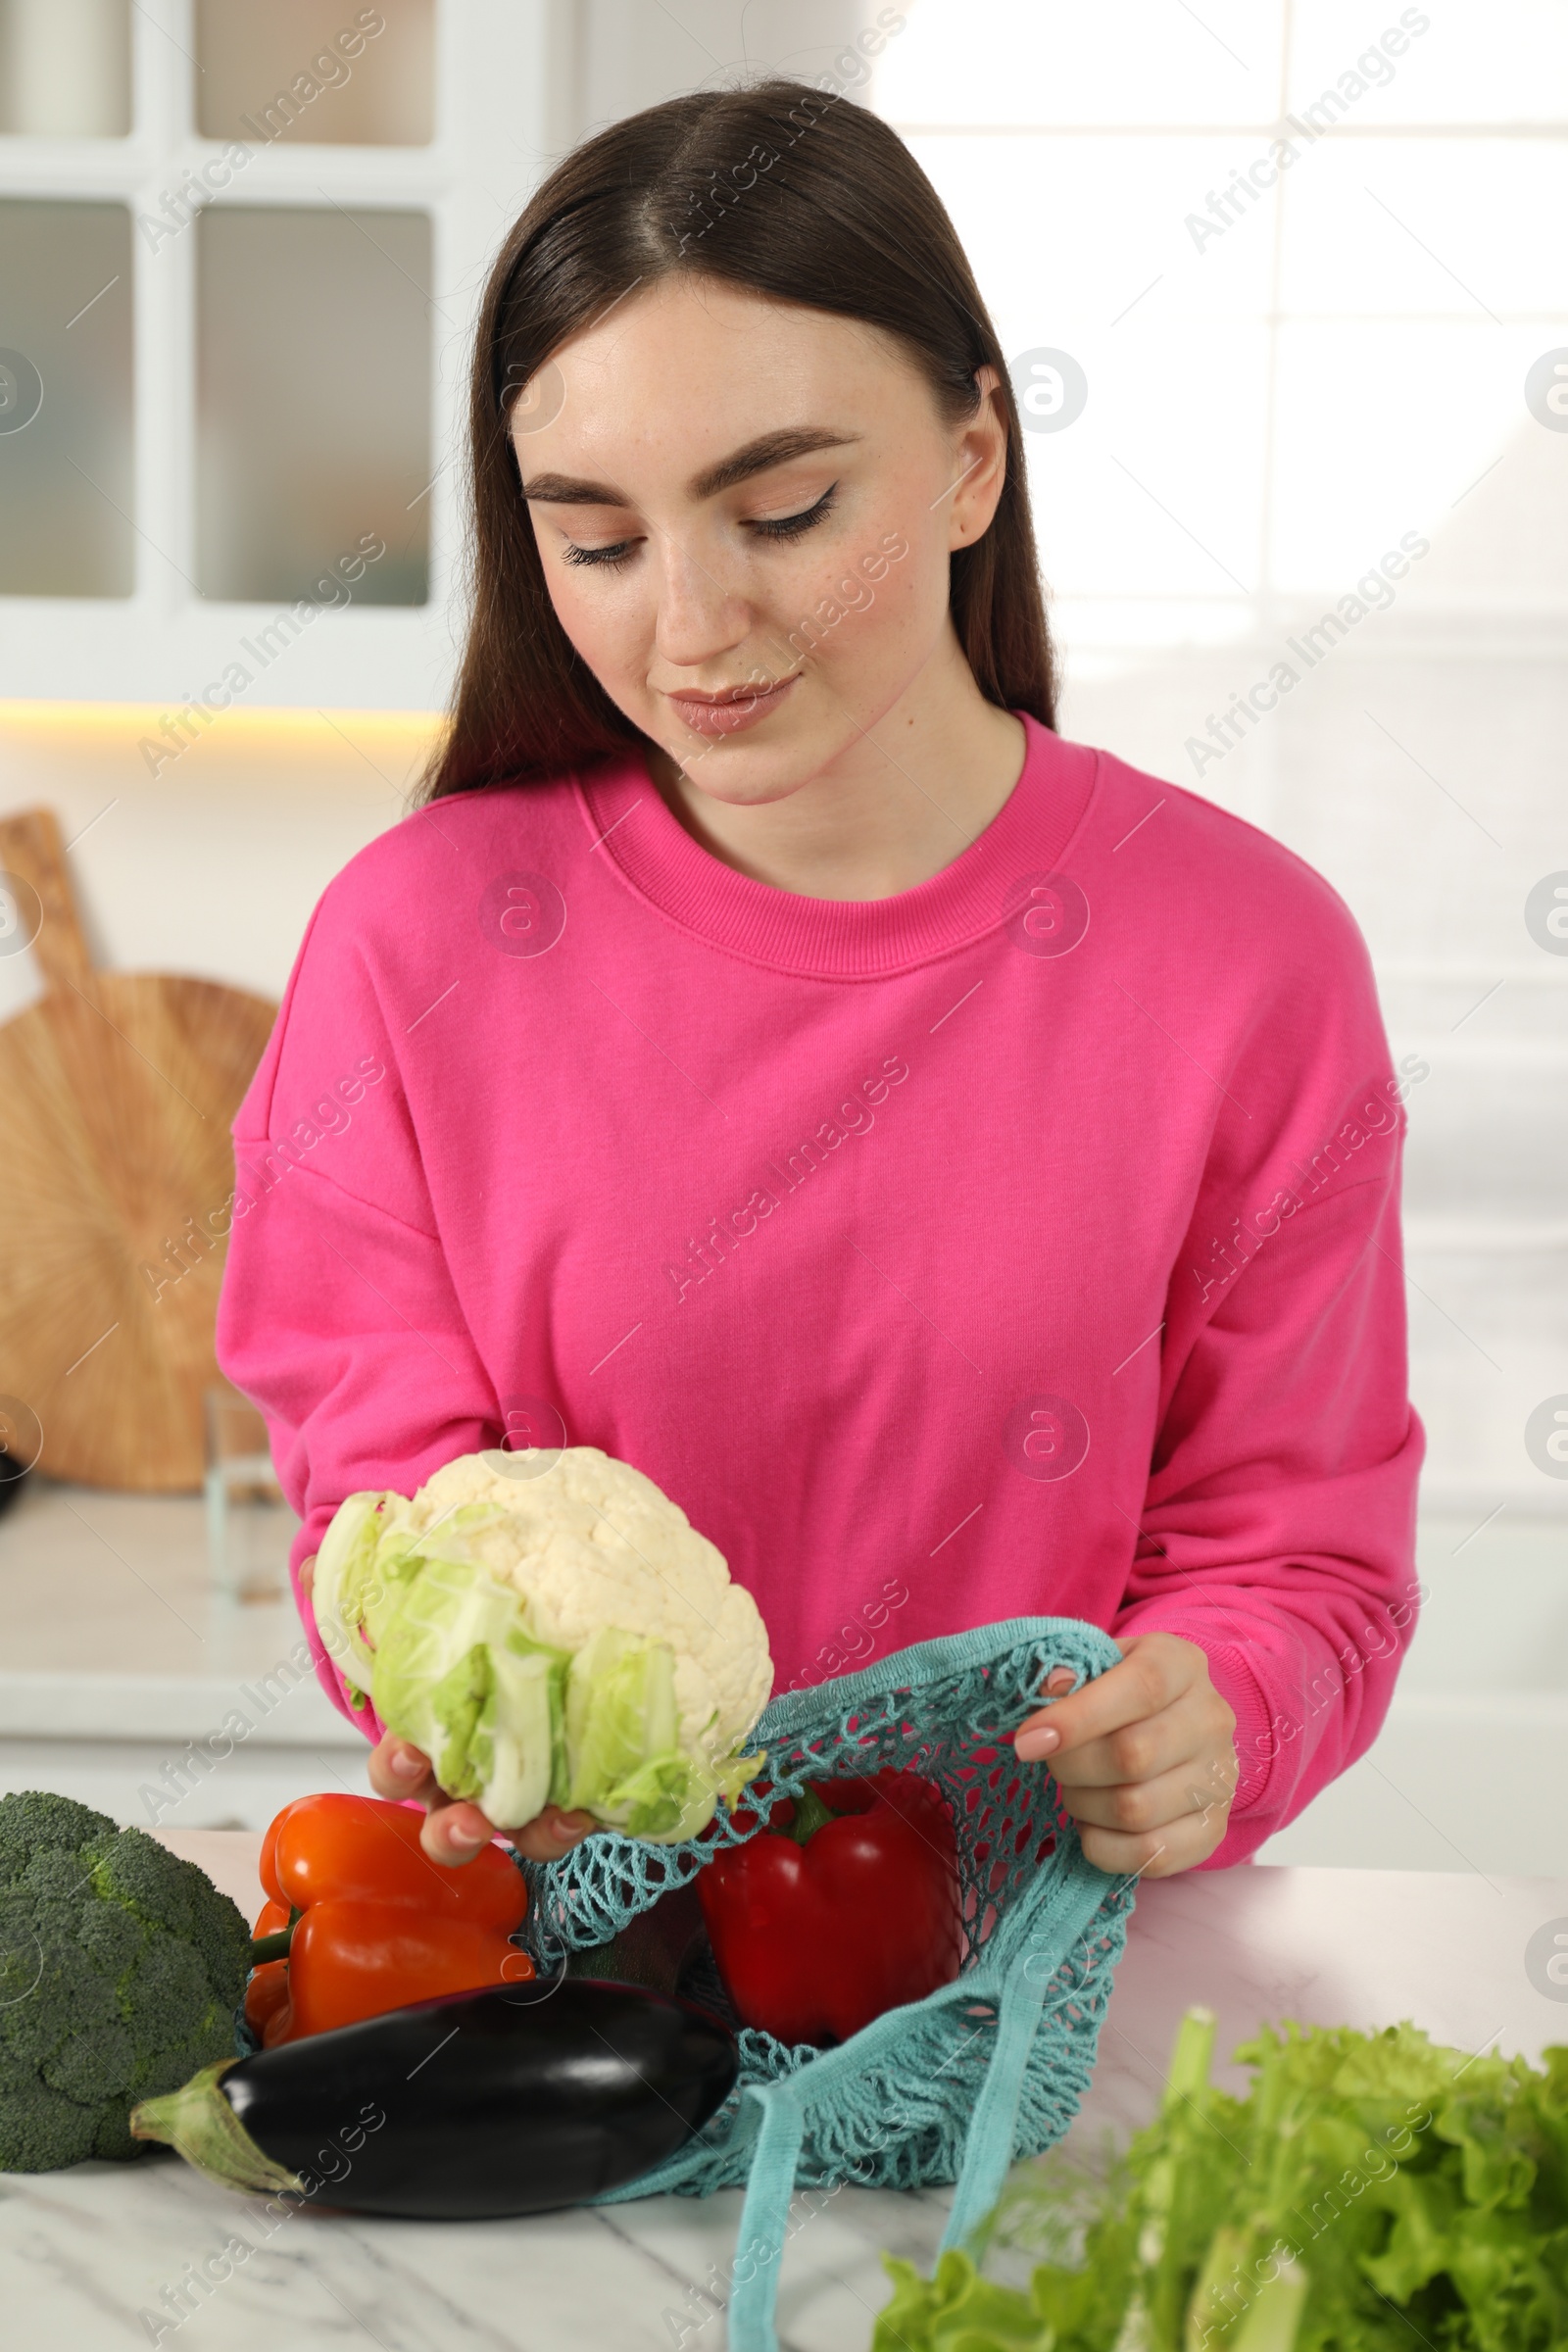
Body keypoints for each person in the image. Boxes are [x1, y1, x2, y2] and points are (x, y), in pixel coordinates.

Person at [217, 78, 1424, 1884]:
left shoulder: (1249, 963)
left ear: (972, 460)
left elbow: (1300, 1558)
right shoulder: (414, 949)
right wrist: (460, 1702)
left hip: (1056, 1978)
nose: (689, 628)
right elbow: (383, 1508)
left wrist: (1219, 1715)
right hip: (586, 1982)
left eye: (780, 511)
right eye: (599, 542)